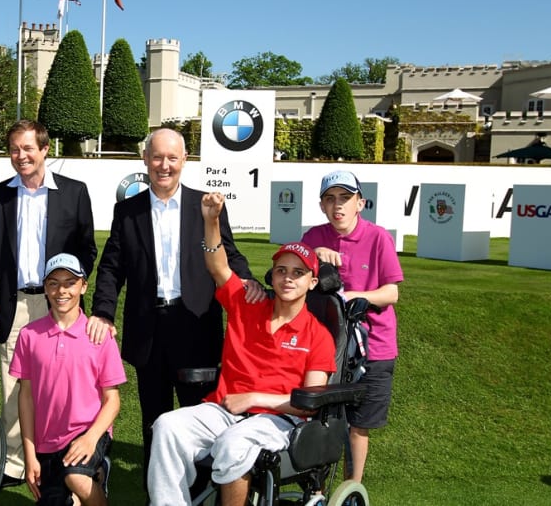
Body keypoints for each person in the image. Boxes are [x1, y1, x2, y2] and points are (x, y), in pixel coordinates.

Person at [87, 128, 264, 482]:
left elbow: (227, 253)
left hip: (196, 326)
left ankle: (200, 489)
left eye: (172, 158)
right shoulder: (127, 211)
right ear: (145, 160)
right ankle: (159, 491)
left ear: (184, 160)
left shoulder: (206, 206)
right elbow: (111, 268)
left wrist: (249, 282)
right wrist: (104, 312)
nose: (164, 165)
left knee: (199, 417)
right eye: (157, 157)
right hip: (147, 330)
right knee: (154, 418)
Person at [147, 193, 336, 506]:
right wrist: (211, 220)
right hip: (224, 410)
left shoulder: (318, 336)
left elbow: (310, 403)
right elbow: (217, 265)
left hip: (279, 420)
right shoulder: (248, 304)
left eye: (298, 273)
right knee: (168, 426)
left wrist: (256, 399)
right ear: (272, 276)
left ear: (313, 283)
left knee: (234, 443)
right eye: (282, 271)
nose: (288, 278)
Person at [0, 119, 97, 487]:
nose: (21, 156)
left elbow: (87, 249)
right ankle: (14, 462)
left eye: (28, 148)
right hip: (15, 304)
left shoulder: (74, 193)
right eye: (14, 149)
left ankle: (67, 454)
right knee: (15, 384)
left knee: (64, 384)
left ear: (45, 150)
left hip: (59, 303)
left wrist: (72, 292)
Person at [301, 170, 404, 482]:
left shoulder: (378, 237)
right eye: (330, 199)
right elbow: (289, 277)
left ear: (360, 203)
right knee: (320, 417)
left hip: (374, 347)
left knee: (359, 426)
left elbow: (391, 293)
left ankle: (352, 489)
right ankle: (315, 488)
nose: (338, 206)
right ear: (322, 206)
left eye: (345, 198)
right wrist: (315, 257)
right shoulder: (313, 237)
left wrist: (355, 296)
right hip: (326, 346)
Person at [10, 253, 126, 505]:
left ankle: (94, 475)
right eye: (53, 283)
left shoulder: (98, 334)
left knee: (76, 477)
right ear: (45, 288)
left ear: (83, 286)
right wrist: (30, 453)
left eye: (70, 282)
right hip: (46, 443)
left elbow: (112, 399)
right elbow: (26, 397)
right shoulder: (29, 335)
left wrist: (91, 437)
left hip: (88, 432)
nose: (62, 290)